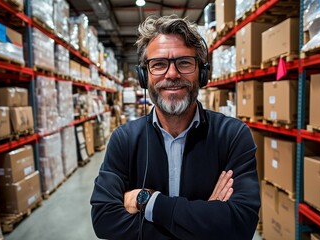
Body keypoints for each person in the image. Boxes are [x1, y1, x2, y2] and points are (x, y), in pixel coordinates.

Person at [90, 15, 260, 240]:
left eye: (184, 62)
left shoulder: (233, 136)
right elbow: (104, 220)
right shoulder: (124, 139)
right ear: (144, 76)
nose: (172, 74)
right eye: (158, 64)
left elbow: (240, 225)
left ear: (202, 72)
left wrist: (149, 202)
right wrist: (204, 223)